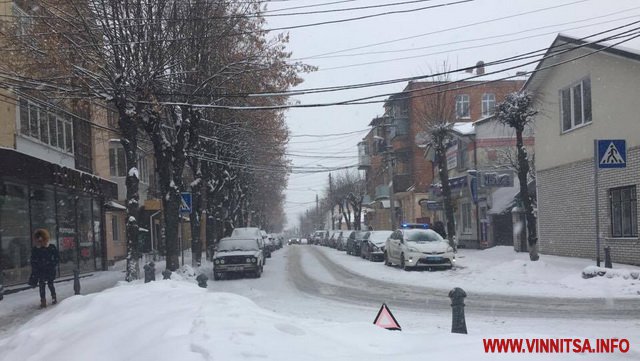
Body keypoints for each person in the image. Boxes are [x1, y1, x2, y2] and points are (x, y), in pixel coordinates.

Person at [31, 229, 59, 308]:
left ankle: (53, 297)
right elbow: (33, 260)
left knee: (50, 284)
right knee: (42, 285)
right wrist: (35, 267)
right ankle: (43, 301)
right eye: (38, 240)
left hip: (49, 269)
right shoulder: (36, 249)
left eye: (41, 240)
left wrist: (52, 264)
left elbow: (57, 258)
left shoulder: (51, 247)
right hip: (41, 270)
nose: (40, 242)